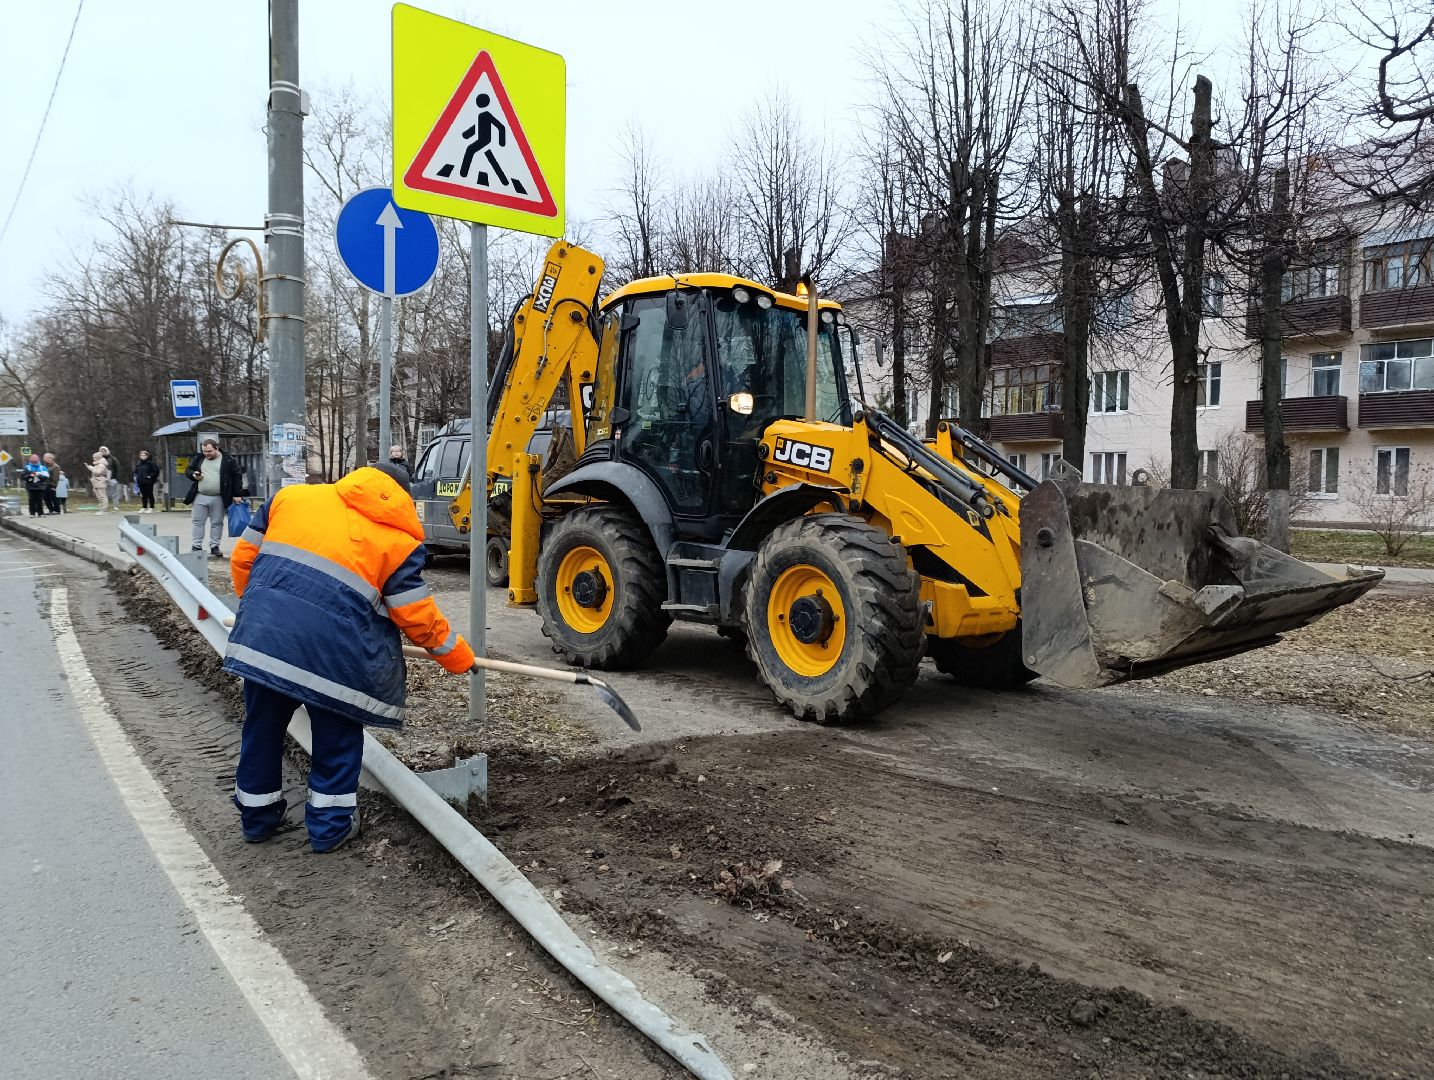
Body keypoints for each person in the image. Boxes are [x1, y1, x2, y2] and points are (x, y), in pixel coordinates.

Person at [222, 463, 475, 852]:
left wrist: (262, 615)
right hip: (335, 660)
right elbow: (417, 617)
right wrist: (459, 658)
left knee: (262, 730)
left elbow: (243, 561)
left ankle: (257, 819)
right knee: (337, 740)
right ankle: (329, 830)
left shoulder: (289, 499)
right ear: (402, 498)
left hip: (265, 643)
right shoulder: (398, 542)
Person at [185, 438, 244, 557]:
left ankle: (215, 546)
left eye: (209, 451)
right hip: (200, 495)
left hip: (219, 497)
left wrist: (237, 494)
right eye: (204, 451)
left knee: (217, 522)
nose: (207, 454)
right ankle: (196, 545)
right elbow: (189, 470)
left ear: (216, 448)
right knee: (197, 521)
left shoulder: (228, 460)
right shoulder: (199, 458)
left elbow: (237, 476)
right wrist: (193, 475)